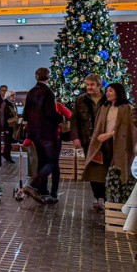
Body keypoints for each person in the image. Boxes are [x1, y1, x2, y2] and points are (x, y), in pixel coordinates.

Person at [82, 83, 136, 210]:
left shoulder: (127, 108)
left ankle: (113, 200)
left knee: (116, 171)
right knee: (97, 171)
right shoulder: (104, 107)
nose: (107, 93)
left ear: (118, 92)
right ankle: (99, 197)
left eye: (110, 91)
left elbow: (128, 129)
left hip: (119, 145)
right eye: (107, 91)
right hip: (101, 144)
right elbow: (98, 126)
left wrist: (110, 134)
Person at [22, 67, 65, 204]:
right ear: (48, 77)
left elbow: (25, 114)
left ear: (36, 77)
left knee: (41, 162)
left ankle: (43, 191)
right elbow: (50, 113)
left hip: (34, 133)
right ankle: (36, 186)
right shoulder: (48, 93)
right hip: (48, 133)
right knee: (52, 162)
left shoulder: (31, 92)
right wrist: (60, 118)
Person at [70, 74, 107, 210]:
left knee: (106, 169)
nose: (89, 87)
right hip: (89, 141)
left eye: (92, 85)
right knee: (93, 170)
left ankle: (107, 197)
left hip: (106, 142)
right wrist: (75, 137)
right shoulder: (81, 100)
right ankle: (99, 197)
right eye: (87, 84)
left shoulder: (107, 100)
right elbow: (74, 120)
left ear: (99, 86)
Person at [0, 90, 18, 164]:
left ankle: (7, 154)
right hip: (8, 126)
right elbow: (3, 116)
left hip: (11, 125)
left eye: (15, 95)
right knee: (7, 142)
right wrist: (4, 128)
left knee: (9, 142)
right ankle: (6, 155)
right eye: (12, 95)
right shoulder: (5, 104)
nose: (14, 97)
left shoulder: (11, 104)